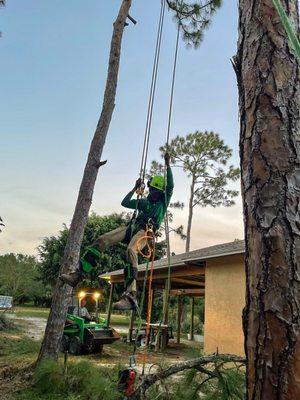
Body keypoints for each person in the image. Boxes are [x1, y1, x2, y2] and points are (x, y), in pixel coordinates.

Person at [60, 153, 174, 311]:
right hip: (132, 227)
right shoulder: (144, 202)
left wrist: (168, 165)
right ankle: (77, 274)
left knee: (130, 251)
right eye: (151, 189)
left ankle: (130, 295)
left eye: (155, 190)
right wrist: (134, 189)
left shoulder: (163, 202)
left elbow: (171, 186)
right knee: (102, 239)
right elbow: (125, 202)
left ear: (160, 192)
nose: (152, 192)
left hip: (146, 232)